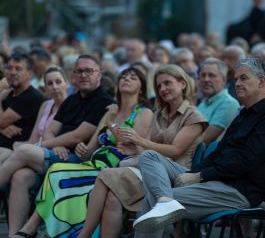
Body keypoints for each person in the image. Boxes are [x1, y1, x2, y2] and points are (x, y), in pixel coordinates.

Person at [131, 57, 265, 237]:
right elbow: (217, 154)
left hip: (238, 190)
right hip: (215, 180)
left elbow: (246, 162)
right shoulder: (243, 116)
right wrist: (193, 174)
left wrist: (199, 176)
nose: (237, 83)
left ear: (261, 81)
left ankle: (165, 201)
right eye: (236, 79)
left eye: (243, 78)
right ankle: (165, 199)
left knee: (152, 199)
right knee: (149, 156)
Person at [15, 67, 154, 238]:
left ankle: (32, 230)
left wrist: (110, 123)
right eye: (123, 77)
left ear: (141, 87)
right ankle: (33, 230)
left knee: (59, 173)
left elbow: (129, 143)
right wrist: (82, 149)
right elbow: (91, 148)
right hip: (94, 164)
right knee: (56, 170)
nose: (126, 79)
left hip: (116, 170)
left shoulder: (143, 113)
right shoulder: (111, 111)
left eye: (133, 78)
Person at [76, 64, 207, 238]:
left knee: (105, 175)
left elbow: (176, 150)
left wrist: (139, 140)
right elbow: (148, 147)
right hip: (148, 167)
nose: (162, 89)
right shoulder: (160, 113)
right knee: (112, 198)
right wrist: (134, 147)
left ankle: (83, 235)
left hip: (175, 173)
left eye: (167, 83)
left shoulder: (193, 116)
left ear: (182, 84)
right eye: (159, 85)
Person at [2, 54, 115, 236]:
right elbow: (49, 130)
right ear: (73, 76)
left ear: (99, 74)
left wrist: (44, 145)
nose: (84, 75)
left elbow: (77, 136)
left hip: (77, 160)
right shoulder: (72, 99)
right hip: (55, 154)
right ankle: (15, 234)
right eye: (79, 71)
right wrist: (53, 146)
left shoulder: (104, 102)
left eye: (89, 71)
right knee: (20, 176)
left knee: (24, 151)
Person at [0, 66, 68, 164]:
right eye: (50, 84)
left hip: (53, 152)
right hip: (35, 148)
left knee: (11, 159)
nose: (54, 87)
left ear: (66, 83)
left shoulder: (72, 106)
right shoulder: (46, 105)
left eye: (58, 82)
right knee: (4, 153)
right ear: (45, 88)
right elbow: (32, 139)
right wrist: (16, 145)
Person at [0, 52, 44, 150]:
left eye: (18, 69)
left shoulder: (32, 97)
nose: (12, 72)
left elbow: (1, 121)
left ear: (29, 73)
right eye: (9, 68)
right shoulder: (9, 93)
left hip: (15, 151)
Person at [197, 58, 240, 145]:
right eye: (203, 75)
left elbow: (204, 140)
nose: (206, 79)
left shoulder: (229, 103)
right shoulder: (202, 104)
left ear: (224, 80)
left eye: (211, 75)